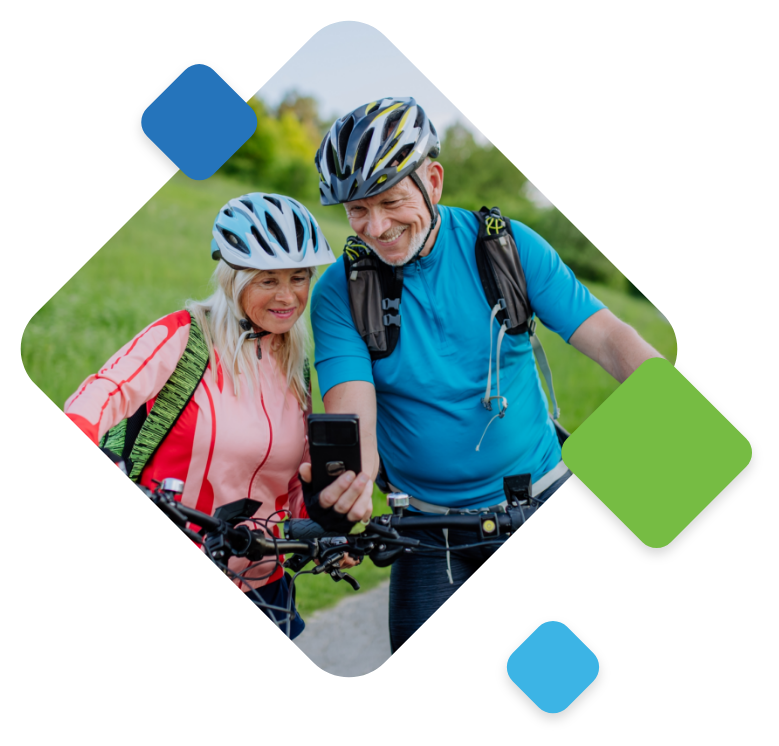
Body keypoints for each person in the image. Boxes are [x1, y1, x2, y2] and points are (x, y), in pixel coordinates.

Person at [310, 97, 665, 651]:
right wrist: (352, 476)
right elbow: (353, 413)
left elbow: (609, 339)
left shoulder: (507, 248)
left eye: (390, 200)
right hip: (428, 531)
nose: (375, 227)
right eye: (357, 209)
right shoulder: (340, 291)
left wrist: (671, 403)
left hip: (537, 495)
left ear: (433, 179)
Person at [65, 192, 374, 639]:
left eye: (299, 277)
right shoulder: (184, 338)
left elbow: (291, 491)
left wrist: (330, 530)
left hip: (266, 588)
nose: (288, 296)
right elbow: (100, 396)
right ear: (234, 279)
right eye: (268, 280)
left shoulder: (295, 369)